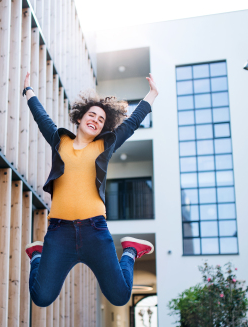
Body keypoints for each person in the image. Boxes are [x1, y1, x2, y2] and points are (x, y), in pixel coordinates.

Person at [22, 72, 158, 307]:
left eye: (101, 119)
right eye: (91, 115)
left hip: (94, 230)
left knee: (120, 296)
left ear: (104, 127)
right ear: (80, 118)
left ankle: (130, 252)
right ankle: (37, 254)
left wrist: (152, 94)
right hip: (59, 232)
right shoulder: (59, 141)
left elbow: (133, 122)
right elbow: (41, 117)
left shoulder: (105, 145)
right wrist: (29, 92)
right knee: (41, 297)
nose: (95, 120)